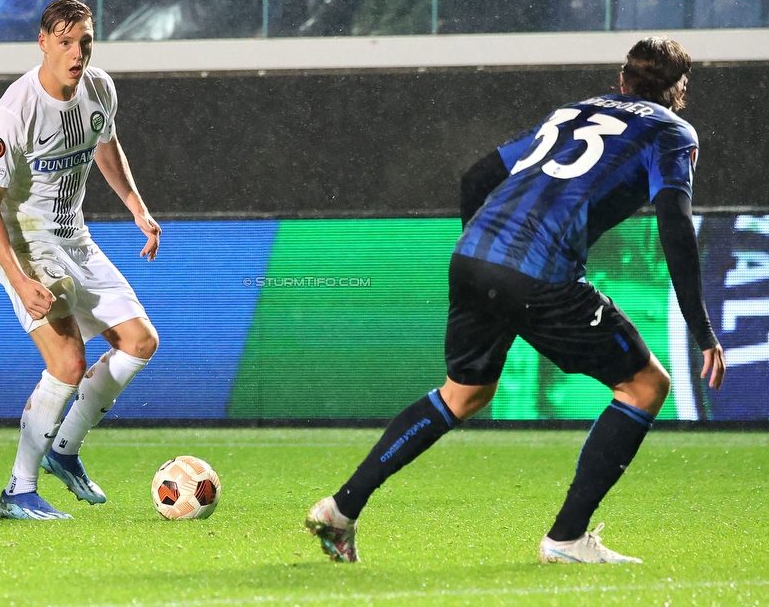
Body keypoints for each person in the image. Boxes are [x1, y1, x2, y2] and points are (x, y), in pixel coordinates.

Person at [305, 36, 727, 563]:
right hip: (538, 274)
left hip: (472, 258)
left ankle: (340, 511)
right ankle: (567, 539)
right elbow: (676, 226)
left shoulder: (574, 111)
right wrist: (702, 329)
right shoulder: (672, 131)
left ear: (622, 80)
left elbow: (477, 177)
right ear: (679, 88)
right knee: (645, 385)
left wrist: (489, 267)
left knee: (463, 395)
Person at [0, 0, 161, 520]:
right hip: (26, 245)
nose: (76, 52)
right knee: (68, 362)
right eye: (65, 42)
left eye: (84, 41)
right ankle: (18, 490)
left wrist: (137, 209)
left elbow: (106, 145)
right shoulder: (15, 111)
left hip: (73, 236)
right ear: (43, 43)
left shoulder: (99, 87)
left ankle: (65, 450)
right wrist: (18, 279)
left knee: (141, 342)